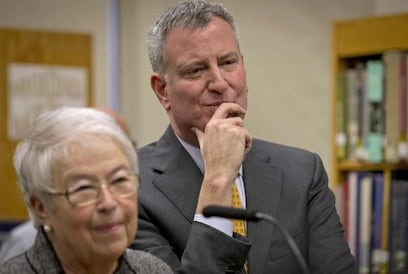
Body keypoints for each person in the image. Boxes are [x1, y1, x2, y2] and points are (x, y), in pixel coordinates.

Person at [130, 1, 357, 273]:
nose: (220, 83)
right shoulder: (131, 187)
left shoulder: (303, 172)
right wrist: (217, 178)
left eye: (228, 62)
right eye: (195, 70)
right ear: (162, 90)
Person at [0, 107, 173, 273]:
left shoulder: (153, 270)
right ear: (41, 207)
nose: (108, 203)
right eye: (84, 188)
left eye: (119, 180)